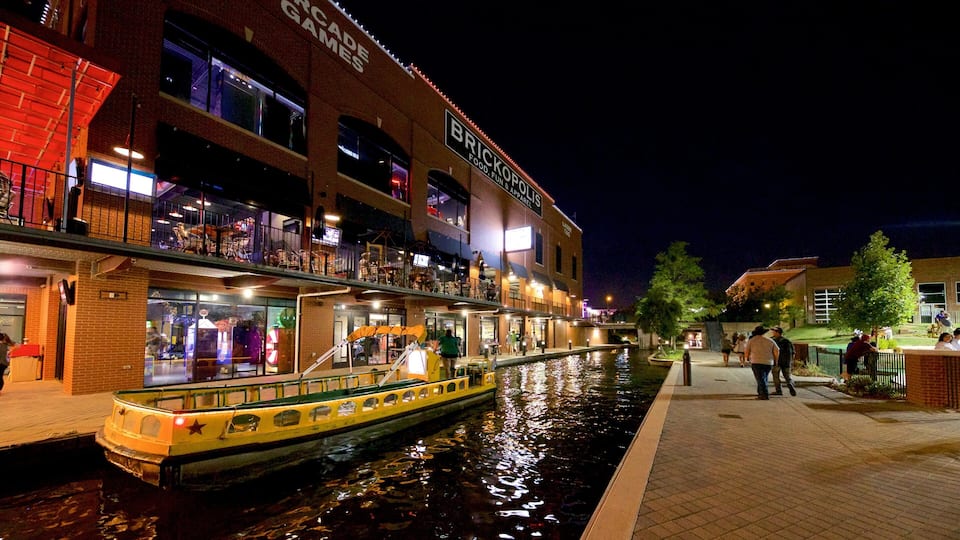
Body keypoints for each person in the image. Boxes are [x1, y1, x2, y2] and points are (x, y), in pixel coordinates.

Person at [743, 325, 779, 400]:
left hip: (756, 361)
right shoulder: (770, 340)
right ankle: (760, 392)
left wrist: (747, 358)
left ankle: (764, 394)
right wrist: (776, 360)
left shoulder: (752, 340)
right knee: (764, 377)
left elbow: (746, 351)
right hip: (769, 362)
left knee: (760, 378)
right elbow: (777, 350)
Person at [769, 326, 796, 396]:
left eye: (774, 331)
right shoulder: (787, 341)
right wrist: (791, 361)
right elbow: (793, 352)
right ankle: (790, 384)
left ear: (778, 333)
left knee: (776, 376)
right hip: (786, 362)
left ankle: (779, 391)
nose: (773, 332)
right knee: (787, 376)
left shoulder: (773, 341)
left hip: (776, 361)